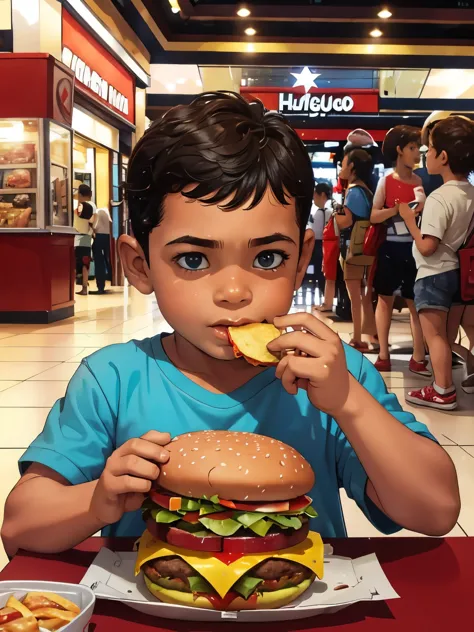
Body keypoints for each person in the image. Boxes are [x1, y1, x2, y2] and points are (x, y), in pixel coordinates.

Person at [1, 92, 459, 557]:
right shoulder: (113, 382)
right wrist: (95, 502)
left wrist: (351, 406)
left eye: (267, 257)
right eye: (194, 259)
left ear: (301, 260)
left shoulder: (339, 379)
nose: (235, 292)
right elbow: (19, 526)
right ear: (139, 266)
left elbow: (436, 510)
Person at [399, 116, 474, 410]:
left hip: (433, 274)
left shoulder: (440, 197)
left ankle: (442, 389)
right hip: (458, 272)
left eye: (428, 149)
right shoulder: (470, 192)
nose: (424, 154)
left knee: (435, 336)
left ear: (442, 156)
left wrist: (409, 221)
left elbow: (428, 247)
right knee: (449, 332)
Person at [371, 126, 429, 376]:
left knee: (415, 302)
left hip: (414, 247)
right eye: (412, 148)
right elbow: (373, 215)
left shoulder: (420, 182)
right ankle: (383, 354)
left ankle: (418, 356)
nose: (417, 153)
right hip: (391, 247)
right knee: (384, 299)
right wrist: (397, 211)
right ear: (399, 150)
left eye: (418, 148)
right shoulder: (386, 181)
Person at [336, 149, 378, 352]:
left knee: (355, 295)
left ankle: (359, 337)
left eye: (343, 164)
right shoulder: (367, 190)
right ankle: (372, 335)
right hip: (368, 247)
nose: (341, 168)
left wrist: (336, 209)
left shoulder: (353, 192)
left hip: (353, 248)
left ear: (352, 167)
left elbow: (346, 221)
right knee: (366, 294)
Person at [307, 182, 333, 309]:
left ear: (322, 195)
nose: (313, 198)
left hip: (319, 246)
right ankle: (326, 300)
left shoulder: (321, 213)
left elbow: (315, 233)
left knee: (320, 273)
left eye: (315, 195)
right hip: (327, 246)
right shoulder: (331, 211)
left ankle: (325, 301)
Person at [74, 184, 96, 296]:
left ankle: (84, 287)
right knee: (84, 262)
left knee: (82, 262)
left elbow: (89, 220)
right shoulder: (91, 205)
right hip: (85, 237)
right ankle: (84, 286)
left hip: (81, 237)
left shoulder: (85, 206)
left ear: (81, 195)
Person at [90, 207, 112, 295]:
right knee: (105, 261)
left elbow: (95, 226)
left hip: (99, 237)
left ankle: (100, 287)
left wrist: (91, 227)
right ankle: (103, 285)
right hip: (106, 237)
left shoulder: (98, 212)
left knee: (98, 262)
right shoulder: (106, 214)